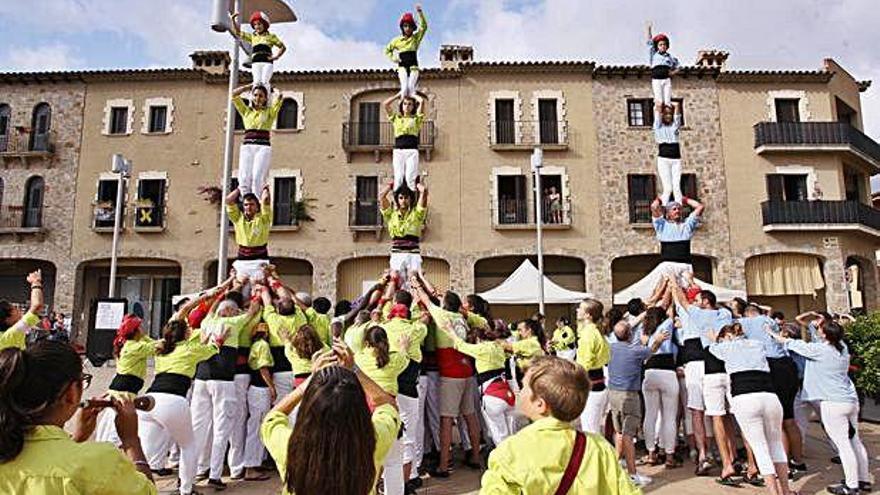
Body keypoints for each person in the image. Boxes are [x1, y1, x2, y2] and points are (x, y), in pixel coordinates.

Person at [0, 340, 156, 494]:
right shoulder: (98, 462)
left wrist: (77, 438)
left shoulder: (7, 448)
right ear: (71, 393)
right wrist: (131, 441)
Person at [480, 356, 639, 494]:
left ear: (540, 404)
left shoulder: (509, 452)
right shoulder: (600, 448)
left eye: (523, 387)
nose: (519, 391)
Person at [260, 339, 401, 495]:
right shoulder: (373, 441)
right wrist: (355, 370)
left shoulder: (290, 446)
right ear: (359, 409)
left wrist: (311, 381)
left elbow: (272, 418)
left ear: (309, 409)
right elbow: (387, 404)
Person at [771, 322, 872, 495]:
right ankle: (863, 480)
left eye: (819, 330)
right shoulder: (843, 348)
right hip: (850, 401)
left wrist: (772, 333)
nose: (817, 331)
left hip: (832, 403)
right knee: (855, 441)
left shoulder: (820, 350)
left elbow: (789, 342)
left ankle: (851, 485)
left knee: (843, 445)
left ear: (825, 335)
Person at [138, 319, 224, 495]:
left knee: (143, 452)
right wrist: (217, 340)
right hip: (173, 400)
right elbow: (213, 350)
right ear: (185, 334)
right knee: (188, 446)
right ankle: (186, 489)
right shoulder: (190, 349)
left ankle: (137, 488)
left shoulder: (161, 350)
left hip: (148, 399)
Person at [708, 324, 795, 495]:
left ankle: (773, 491)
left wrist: (715, 340)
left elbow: (714, 348)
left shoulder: (723, 347)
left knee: (760, 448)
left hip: (745, 398)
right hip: (769, 396)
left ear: (727, 336)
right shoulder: (757, 344)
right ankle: (785, 489)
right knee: (776, 445)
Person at [411, 279, 482, 477]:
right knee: (470, 416)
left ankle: (443, 465)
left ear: (444, 305)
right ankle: (476, 457)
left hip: (450, 374)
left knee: (445, 419)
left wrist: (416, 284)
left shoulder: (441, 315)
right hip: (466, 370)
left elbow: (426, 298)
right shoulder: (462, 317)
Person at [191, 294, 261, 490]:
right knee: (222, 429)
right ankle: (214, 474)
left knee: (199, 427)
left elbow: (212, 309)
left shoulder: (207, 321)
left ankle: (195, 469)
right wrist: (256, 290)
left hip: (201, 379)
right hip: (222, 380)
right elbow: (253, 310)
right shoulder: (235, 321)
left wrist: (224, 290)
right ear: (230, 311)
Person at [739, 304, 806, 474]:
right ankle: (797, 461)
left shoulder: (748, 321)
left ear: (748, 314)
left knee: (778, 422)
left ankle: (783, 468)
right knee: (789, 418)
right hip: (788, 367)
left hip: (773, 367)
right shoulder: (769, 321)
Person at [439, 317, 515, 447]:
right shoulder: (498, 347)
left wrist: (450, 330)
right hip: (507, 394)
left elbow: (461, 346)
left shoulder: (481, 349)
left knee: (499, 437)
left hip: (491, 395)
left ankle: (505, 464)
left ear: (478, 340)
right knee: (510, 435)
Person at [95, 314, 161, 446]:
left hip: (121, 390)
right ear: (135, 331)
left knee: (110, 428)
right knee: (116, 431)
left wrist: (141, 335)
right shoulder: (135, 347)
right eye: (139, 327)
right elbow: (159, 346)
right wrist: (143, 336)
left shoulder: (128, 344)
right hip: (124, 393)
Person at [607, 320, 659, 487]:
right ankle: (632, 475)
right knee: (629, 435)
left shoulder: (611, 348)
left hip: (613, 393)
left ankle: (614, 468)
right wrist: (657, 340)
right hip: (629, 395)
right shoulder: (635, 350)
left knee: (619, 433)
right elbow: (651, 351)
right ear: (630, 334)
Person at [640, 306, 681, 468]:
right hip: (667, 372)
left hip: (650, 371)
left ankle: (651, 453)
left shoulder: (644, 333)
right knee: (669, 416)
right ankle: (669, 455)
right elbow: (672, 309)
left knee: (650, 415)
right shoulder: (667, 325)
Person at [231, 84, 283, 196]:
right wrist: (249, 86)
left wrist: (272, 89)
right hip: (247, 146)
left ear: (265, 98)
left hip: (263, 147)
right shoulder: (246, 111)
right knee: (244, 178)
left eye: (261, 96)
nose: (257, 98)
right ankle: (246, 203)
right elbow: (234, 94)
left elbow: (280, 97)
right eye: (255, 95)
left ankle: (257, 205)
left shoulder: (269, 112)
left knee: (257, 177)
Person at [380, 181, 428, 289]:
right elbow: (381, 196)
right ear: (397, 200)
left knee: (414, 282)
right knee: (394, 281)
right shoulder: (391, 215)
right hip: (397, 253)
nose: (404, 201)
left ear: (410, 199)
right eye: (401, 198)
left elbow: (424, 192)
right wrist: (391, 185)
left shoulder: (417, 214)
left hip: (413, 253)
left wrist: (414, 183)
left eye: (406, 198)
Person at [242, 323, 275, 481]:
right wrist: (272, 387)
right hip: (260, 389)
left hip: (256, 389)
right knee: (256, 428)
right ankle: (250, 467)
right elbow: (263, 369)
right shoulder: (262, 345)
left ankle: (256, 462)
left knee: (257, 427)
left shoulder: (255, 344)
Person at [651, 195, 704, 289]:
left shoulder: (687, 225)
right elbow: (654, 207)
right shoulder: (662, 225)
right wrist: (660, 198)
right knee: (669, 290)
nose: (677, 211)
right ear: (668, 213)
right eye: (674, 209)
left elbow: (700, 207)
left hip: (685, 265)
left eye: (679, 209)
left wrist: (685, 199)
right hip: (668, 265)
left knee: (688, 291)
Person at [226, 185, 273, 288]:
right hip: (242, 259)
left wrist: (265, 188)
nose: (248, 207)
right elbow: (229, 200)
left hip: (260, 259)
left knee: (259, 288)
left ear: (257, 207)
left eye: (252, 204)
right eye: (246, 205)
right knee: (237, 287)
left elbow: (266, 200)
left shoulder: (264, 218)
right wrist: (241, 187)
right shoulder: (238, 218)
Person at [575, 298, 610, 434]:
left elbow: (586, 363)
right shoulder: (595, 332)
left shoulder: (589, 333)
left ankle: (596, 455)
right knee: (593, 429)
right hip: (598, 382)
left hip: (591, 385)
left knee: (590, 431)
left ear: (588, 315)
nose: (578, 310)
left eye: (580, 308)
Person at [229, 11, 286, 93]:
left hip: (267, 62)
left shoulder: (271, 37)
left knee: (265, 81)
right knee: (256, 82)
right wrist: (233, 20)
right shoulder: (252, 37)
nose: (257, 26)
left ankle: (267, 102)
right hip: (256, 62)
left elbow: (283, 47)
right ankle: (253, 102)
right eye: (255, 25)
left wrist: (276, 56)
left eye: (259, 24)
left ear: (264, 24)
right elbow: (238, 32)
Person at [384, 93, 428, 192]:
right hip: (398, 151)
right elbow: (386, 104)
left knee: (410, 179)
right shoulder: (396, 118)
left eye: (410, 104)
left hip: (412, 151)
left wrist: (413, 94)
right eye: (405, 104)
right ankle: (397, 204)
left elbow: (422, 101)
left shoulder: (416, 119)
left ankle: (411, 204)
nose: (407, 106)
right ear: (401, 106)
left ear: (413, 107)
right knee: (398, 178)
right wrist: (398, 95)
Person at [385, 5, 428, 98]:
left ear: (413, 28)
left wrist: (420, 13)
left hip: (413, 66)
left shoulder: (415, 38)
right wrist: (394, 58)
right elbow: (387, 50)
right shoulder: (397, 40)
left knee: (411, 88)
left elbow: (424, 27)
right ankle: (402, 107)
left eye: (410, 26)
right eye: (405, 26)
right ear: (402, 27)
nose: (408, 28)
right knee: (404, 88)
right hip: (402, 66)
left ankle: (415, 106)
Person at [0, 269, 44, 350]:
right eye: (14, 308)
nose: (19, 309)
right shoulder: (12, 334)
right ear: (7, 319)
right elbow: (37, 306)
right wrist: (36, 282)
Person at [654, 102, 683, 205]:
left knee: (676, 187)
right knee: (668, 188)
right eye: (666, 114)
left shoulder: (675, 126)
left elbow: (677, 112)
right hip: (663, 159)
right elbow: (657, 111)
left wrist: (672, 104)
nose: (668, 116)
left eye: (669, 114)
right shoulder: (658, 126)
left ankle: (679, 208)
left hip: (676, 159)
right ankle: (663, 208)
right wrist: (661, 105)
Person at [645, 22, 679, 106]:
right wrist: (649, 29)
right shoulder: (654, 54)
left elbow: (678, 66)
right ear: (657, 47)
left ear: (667, 46)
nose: (662, 46)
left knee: (667, 101)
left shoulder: (670, 57)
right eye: (660, 45)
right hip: (656, 79)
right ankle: (658, 119)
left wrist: (673, 73)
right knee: (659, 101)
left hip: (666, 79)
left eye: (664, 44)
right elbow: (649, 42)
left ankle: (671, 118)